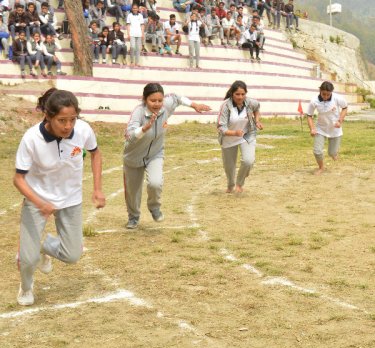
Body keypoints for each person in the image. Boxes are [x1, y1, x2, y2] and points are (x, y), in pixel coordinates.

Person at [14, 88, 106, 306]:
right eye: (62, 120)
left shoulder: (83, 130)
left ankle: (42, 244)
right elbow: (18, 179)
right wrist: (39, 203)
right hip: (37, 200)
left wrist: (98, 188)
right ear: (48, 116)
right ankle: (26, 288)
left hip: (70, 200)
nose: (68, 126)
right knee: (27, 259)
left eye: (72, 120)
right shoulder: (31, 138)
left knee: (72, 255)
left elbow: (96, 153)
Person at [123, 82, 211, 229]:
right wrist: (144, 129)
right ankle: (133, 217)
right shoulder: (138, 112)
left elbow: (177, 98)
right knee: (133, 191)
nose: (157, 104)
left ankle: (154, 208)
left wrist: (193, 104)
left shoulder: (165, 106)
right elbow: (129, 135)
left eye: (160, 100)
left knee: (155, 183)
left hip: (155, 154)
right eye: (152, 101)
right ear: (145, 99)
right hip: (134, 155)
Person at [217, 80, 263, 193]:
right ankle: (230, 185)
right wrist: (234, 133)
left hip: (246, 135)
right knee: (229, 167)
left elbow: (257, 109)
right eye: (237, 94)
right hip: (229, 138)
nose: (240, 97)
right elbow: (220, 127)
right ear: (232, 93)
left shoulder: (250, 102)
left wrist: (257, 121)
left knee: (248, 161)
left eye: (243, 94)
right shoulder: (225, 106)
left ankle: (239, 184)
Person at [307, 81, 348, 175]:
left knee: (331, 153)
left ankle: (334, 154)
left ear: (331, 92)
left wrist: (340, 120)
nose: (325, 97)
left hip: (335, 129)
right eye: (323, 94)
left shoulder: (337, 98)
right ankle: (321, 168)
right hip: (321, 128)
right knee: (317, 151)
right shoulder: (314, 101)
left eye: (328, 95)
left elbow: (345, 107)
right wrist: (312, 128)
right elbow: (309, 115)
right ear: (320, 91)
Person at [126, 3, 144, 67]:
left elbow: (142, 25)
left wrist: (142, 34)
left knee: (138, 48)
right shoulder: (129, 15)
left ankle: (137, 62)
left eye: (136, 8)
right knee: (132, 47)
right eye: (133, 8)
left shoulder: (140, 16)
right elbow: (128, 25)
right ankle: (132, 61)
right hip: (132, 34)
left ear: (138, 9)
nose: (135, 9)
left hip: (139, 34)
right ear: (132, 9)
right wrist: (128, 34)